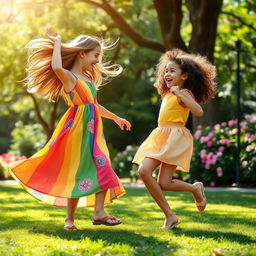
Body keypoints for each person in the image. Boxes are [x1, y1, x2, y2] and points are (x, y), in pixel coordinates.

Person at [9, 28, 131, 231]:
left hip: (92, 133)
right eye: (96, 55)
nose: (98, 61)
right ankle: (72, 219)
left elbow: (94, 105)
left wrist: (116, 118)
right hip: (77, 132)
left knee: (103, 167)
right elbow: (56, 66)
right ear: (82, 53)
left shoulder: (88, 80)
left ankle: (96, 213)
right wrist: (58, 41)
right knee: (74, 173)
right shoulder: (70, 78)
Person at [133, 49, 216, 229]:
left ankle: (187, 198)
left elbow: (199, 111)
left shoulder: (183, 93)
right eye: (166, 70)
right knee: (148, 174)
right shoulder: (168, 93)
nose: (167, 74)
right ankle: (176, 209)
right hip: (161, 134)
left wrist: (181, 95)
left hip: (175, 137)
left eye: (172, 71)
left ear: (184, 75)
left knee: (158, 179)